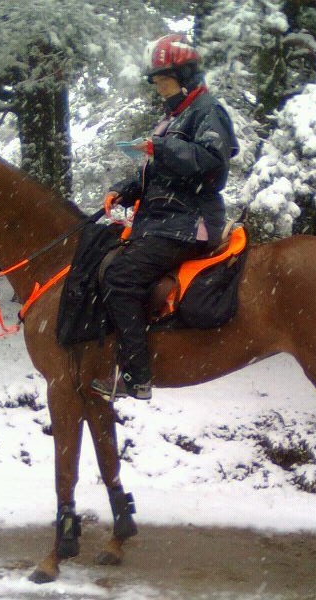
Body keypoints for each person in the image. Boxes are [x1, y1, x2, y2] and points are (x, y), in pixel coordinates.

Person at [90, 33, 239, 401]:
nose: (159, 89)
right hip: (167, 222)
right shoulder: (175, 117)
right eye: (156, 82)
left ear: (184, 76)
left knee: (121, 276)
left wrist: (161, 146)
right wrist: (125, 190)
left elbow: (212, 161)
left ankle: (136, 375)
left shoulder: (207, 110)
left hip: (190, 223)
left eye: (163, 81)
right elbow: (163, 172)